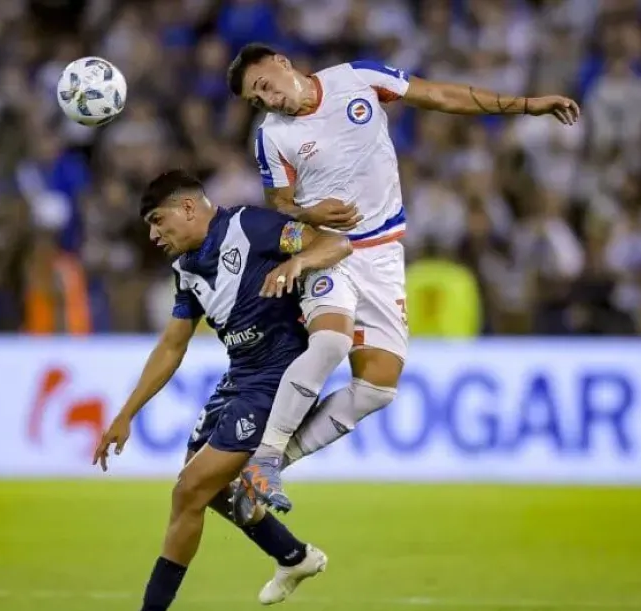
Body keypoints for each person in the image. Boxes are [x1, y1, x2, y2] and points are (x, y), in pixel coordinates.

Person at [226, 44, 581, 514]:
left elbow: (439, 96)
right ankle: (267, 454)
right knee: (329, 344)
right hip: (328, 249)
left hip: (384, 255)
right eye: (257, 99)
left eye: (265, 85)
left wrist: (527, 105)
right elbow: (281, 205)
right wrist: (309, 212)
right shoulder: (272, 136)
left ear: (282, 62)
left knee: (377, 389)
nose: (268, 100)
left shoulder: (358, 79)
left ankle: (268, 466)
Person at [93, 170, 352, 611]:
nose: (153, 234)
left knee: (189, 489)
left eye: (157, 220)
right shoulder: (187, 270)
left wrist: (299, 263)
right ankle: (292, 555)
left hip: (278, 380)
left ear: (188, 208)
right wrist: (126, 413)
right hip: (239, 380)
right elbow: (172, 346)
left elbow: (334, 244)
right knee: (207, 488)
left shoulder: (251, 227)